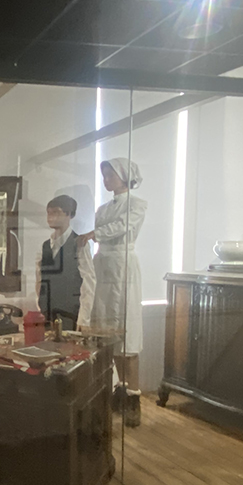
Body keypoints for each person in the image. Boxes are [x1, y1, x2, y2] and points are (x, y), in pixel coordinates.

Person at [78, 158, 147, 427]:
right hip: (103, 266)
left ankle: (133, 398)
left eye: (111, 175)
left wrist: (94, 234)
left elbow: (121, 227)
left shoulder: (137, 204)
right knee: (108, 332)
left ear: (125, 176)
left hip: (123, 266)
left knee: (128, 335)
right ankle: (119, 390)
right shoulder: (103, 208)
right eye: (104, 176)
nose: (106, 180)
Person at [36, 194, 95, 331]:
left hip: (71, 315)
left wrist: (84, 319)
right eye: (49, 213)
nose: (50, 217)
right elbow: (39, 282)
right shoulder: (45, 246)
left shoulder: (79, 244)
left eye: (56, 212)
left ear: (69, 214)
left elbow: (88, 282)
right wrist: (41, 309)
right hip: (48, 315)